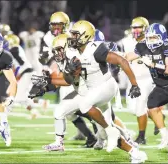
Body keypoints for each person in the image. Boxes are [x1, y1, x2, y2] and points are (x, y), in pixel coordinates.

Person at [31, 20, 147, 163]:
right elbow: (69, 80)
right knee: (62, 111)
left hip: (105, 86)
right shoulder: (71, 53)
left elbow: (121, 61)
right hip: (87, 91)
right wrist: (48, 82)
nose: (72, 38)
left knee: (89, 109)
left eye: (75, 35)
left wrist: (134, 84)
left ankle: (114, 132)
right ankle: (135, 153)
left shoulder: (95, 49)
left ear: (85, 36)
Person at [38, 11, 97, 147]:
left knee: (75, 107)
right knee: (68, 112)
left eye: (59, 25)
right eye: (54, 25)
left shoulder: (74, 33)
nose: (56, 28)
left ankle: (98, 126)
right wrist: (45, 59)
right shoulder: (48, 37)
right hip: (64, 73)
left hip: (77, 74)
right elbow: (47, 55)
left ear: (66, 25)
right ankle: (90, 135)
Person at [129, 23, 168, 149]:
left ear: (162, 37)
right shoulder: (142, 46)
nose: (151, 41)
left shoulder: (166, 47)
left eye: (154, 38)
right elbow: (128, 57)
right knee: (151, 105)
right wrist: (112, 57)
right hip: (161, 86)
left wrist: (153, 64)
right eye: (149, 38)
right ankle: (165, 136)